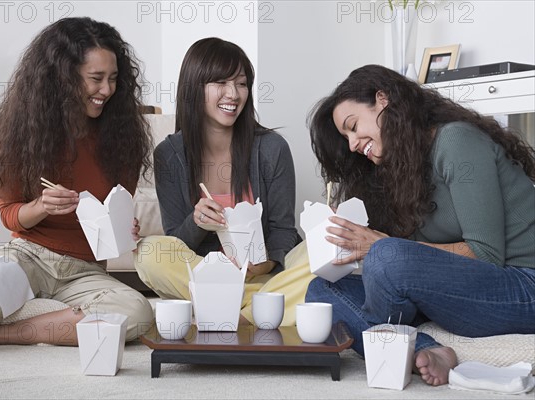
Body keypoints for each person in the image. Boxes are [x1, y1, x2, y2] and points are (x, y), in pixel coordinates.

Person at [306, 64, 535, 386]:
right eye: (346, 137)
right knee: (321, 291)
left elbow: (487, 255)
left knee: (386, 256)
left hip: (524, 283)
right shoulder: (401, 171)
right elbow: (414, 267)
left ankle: (390, 341)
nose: (353, 143)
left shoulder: (456, 142)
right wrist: (350, 238)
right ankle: (426, 349)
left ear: (383, 100)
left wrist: (380, 247)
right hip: (466, 290)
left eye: (353, 126)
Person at [0, 17, 155, 351]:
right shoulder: (23, 133)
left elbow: (114, 216)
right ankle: (30, 313)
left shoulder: (123, 138)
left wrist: (123, 227)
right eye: (96, 79)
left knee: (136, 314)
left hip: (86, 270)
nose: (107, 90)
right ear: (62, 79)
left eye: (113, 79)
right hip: (29, 256)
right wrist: (41, 206)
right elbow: (10, 215)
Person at [136, 37, 311, 326]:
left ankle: (233, 314)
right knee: (150, 252)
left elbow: (284, 232)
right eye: (221, 82)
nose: (233, 93)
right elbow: (175, 242)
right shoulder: (169, 155)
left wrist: (263, 264)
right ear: (194, 88)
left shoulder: (271, 148)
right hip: (207, 277)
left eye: (241, 84)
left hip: (262, 278)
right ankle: (263, 312)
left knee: (316, 251)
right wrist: (197, 222)